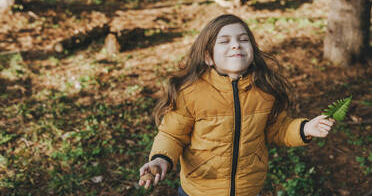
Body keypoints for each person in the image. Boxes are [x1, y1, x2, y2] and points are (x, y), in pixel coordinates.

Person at [138, 14, 335, 196]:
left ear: (252, 50)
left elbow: (279, 129)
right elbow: (172, 134)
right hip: (199, 190)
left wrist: (306, 128)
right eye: (225, 41)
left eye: (243, 39)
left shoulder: (264, 90)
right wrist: (160, 159)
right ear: (208, 57)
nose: (236, 45)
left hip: (248, 188)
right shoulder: (191, 93)